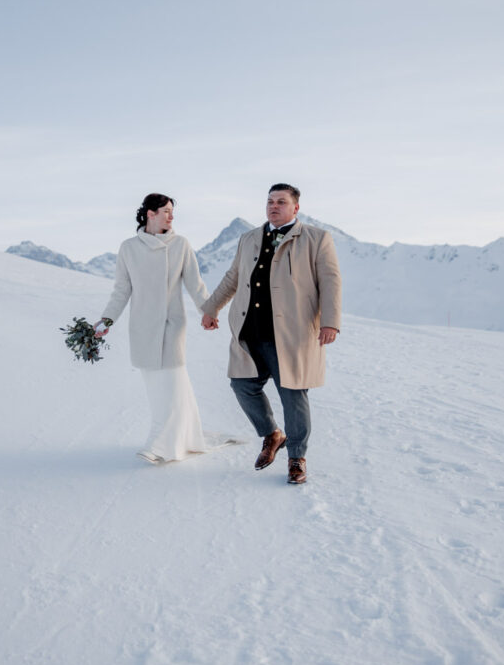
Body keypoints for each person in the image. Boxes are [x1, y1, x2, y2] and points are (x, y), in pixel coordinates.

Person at [201, 183, 342, 484]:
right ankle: (272, 434)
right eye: (270, 202)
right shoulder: (249, 238)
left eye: (281, 202)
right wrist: (211, 308)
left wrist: (330, 322)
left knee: (293, 395)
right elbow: (233, 278)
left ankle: (296, 459)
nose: (273, 206)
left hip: (291, 334)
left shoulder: (316, 239)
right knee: (242, 386)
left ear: (295, 208)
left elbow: (330, 282)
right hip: (250, 330)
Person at [94, 193, 216, 463]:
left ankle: (159, 445)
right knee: (159, 388)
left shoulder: (181, 245)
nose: (171, 217)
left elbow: (196, 285)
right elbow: (121, 290)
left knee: (171, 384)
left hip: (172, 324)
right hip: (143, 326)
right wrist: (106, 320)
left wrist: (208, 311)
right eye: (166, 211)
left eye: (173, 212)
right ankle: (187, 437)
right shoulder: (129, 248)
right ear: (150, 213)